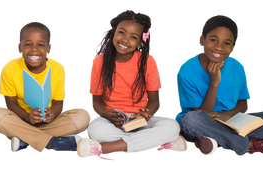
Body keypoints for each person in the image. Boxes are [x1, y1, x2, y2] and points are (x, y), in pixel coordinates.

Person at [77, 7, 189, 163]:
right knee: (95, 129)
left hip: (141, 121)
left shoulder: (149, 61)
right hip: (113, 121)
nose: (125, 40)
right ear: (113, 32)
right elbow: (95, 101)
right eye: (122, 32)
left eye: (133, 37)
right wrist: (107, 113)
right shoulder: (98, 63)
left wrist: (146, 114)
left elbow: (154, 100)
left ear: (139, 41)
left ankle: (104, 148)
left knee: (171, 126)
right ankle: (159, 143)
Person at [176, 12, 263, 158]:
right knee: (191, 121)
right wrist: (214, 82)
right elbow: (202, 114)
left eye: (226, 43)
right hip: (205, 121)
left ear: (233, 48)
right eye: (214, 40)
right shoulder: (186, 71)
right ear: (201, 41)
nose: (219, 47)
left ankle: (218, 142)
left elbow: (244, 104)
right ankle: (251, 145)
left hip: (232, 120)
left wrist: (226, 115)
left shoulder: (238, 66)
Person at [0, 19, 91, 156]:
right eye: (28, 44)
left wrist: (52, 114)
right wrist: (27, 117)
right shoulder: (8, 67)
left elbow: (59, 103)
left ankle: (24, 141)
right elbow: (10, 103)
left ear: (50, 49)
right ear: (19, 48)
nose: (34, 49)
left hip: (48, 123)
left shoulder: (59, 67)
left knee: (84, 114)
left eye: (40, 45)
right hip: (20, 119)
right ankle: (52, 144)